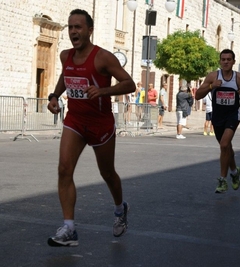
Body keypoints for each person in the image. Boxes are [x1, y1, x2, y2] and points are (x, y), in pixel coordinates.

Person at [46, 9, 135, 247]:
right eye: (70, 27)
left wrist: (104, 90)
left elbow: (130, 83)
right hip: (75, 121)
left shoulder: (103, 58)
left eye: (78, 27)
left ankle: (119, 209)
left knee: (107, 174)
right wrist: (54, 96)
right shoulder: (65, 56)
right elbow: (66, 77)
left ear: (89, 30)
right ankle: (69, 228)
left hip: (101, 124)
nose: (73, 31)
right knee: (64, 169)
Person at [195, 49, 240, 193]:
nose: (226, 62)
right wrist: (211, 87)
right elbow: (197, 96)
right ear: (220, 61)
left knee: (225, 144)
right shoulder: (213, 76)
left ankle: (222, 180)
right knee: (226, 148)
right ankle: (234, 172)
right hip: (217, 116)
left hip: (233, 115)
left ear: (233, 62)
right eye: (223, 59)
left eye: (229, 59)